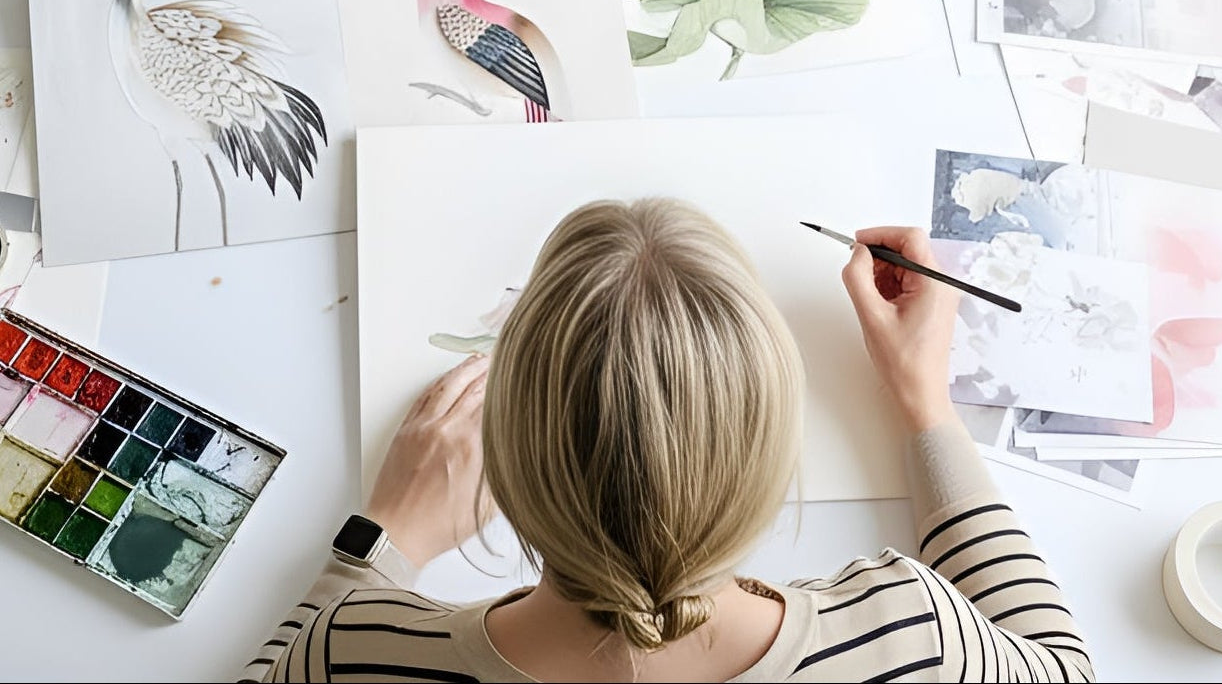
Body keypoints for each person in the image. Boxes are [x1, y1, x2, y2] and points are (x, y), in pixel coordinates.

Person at [243, 199, 1095, 683]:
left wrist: (387, 536)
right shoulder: (911, 638)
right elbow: (1066, 671)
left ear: (506, 458)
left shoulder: (362, 654)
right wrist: (926, 404)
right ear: (769, 460)